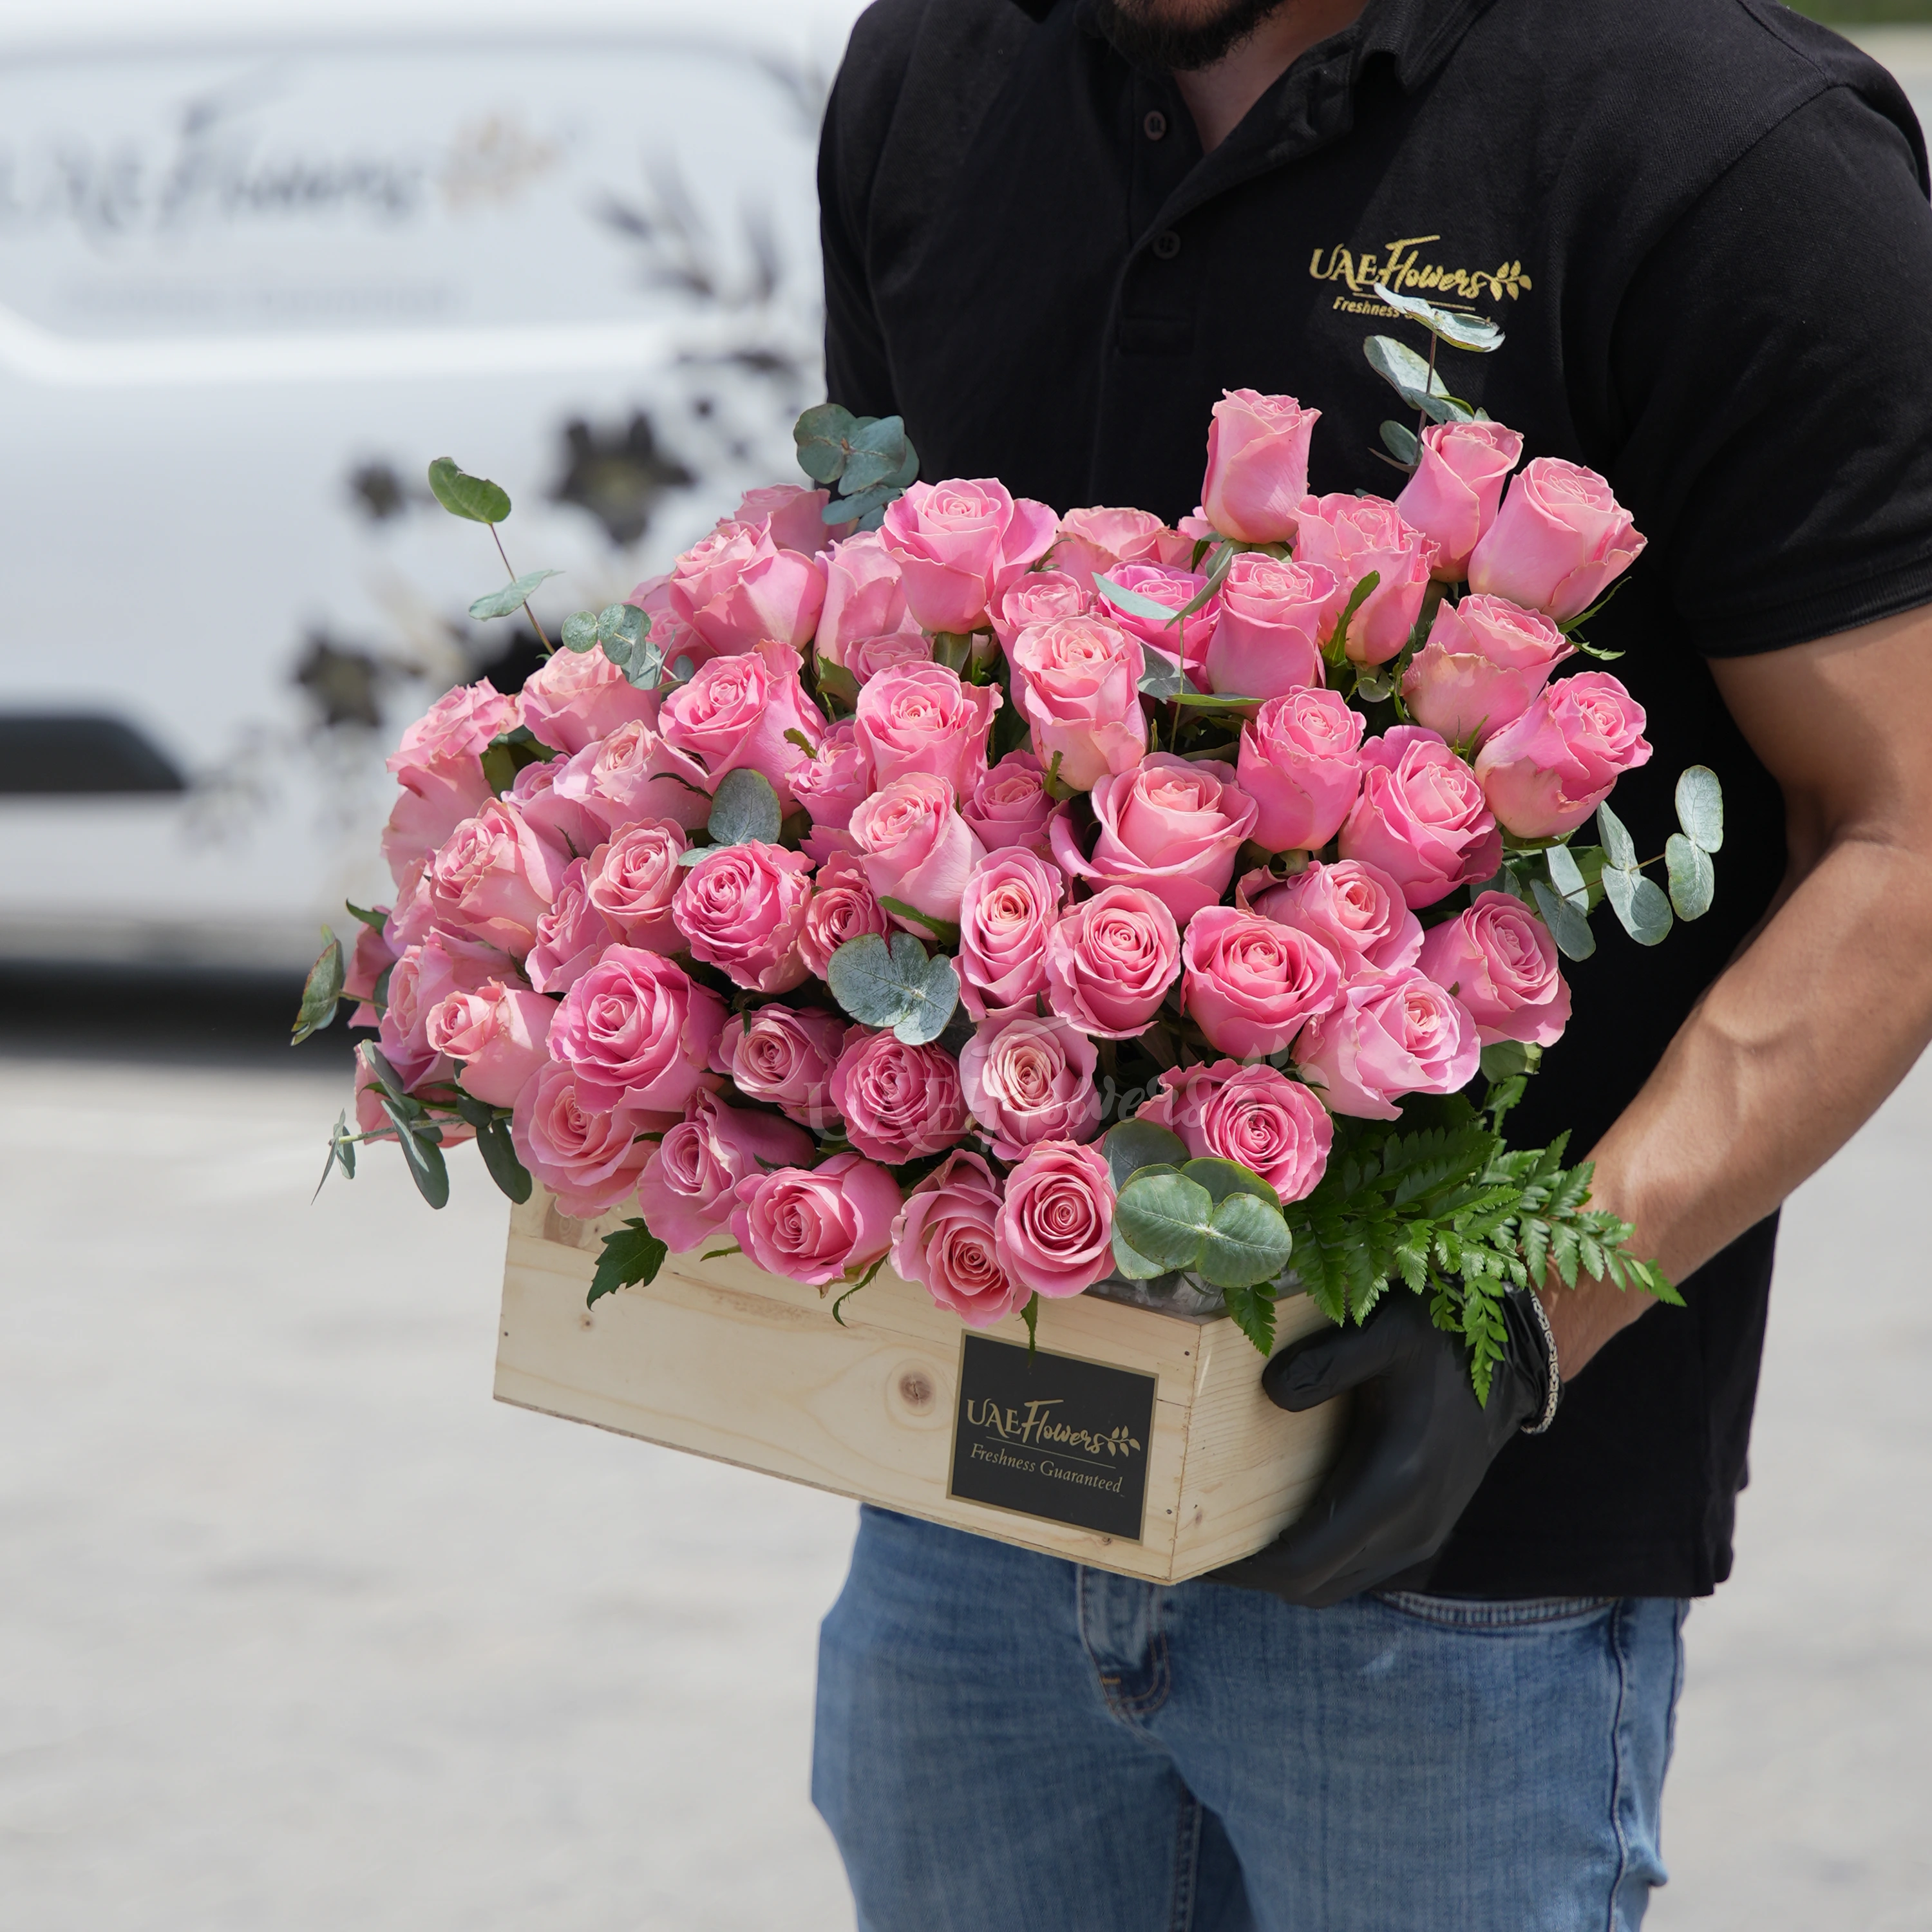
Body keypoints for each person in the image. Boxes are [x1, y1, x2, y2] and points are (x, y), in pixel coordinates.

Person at [807, 1, 1932, 1924]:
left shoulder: (1728, 141)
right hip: (979, 1494)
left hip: (1451, 1583)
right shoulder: (936, 65)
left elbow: (1900, 835)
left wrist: (1524, 1322)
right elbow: (898, 661)